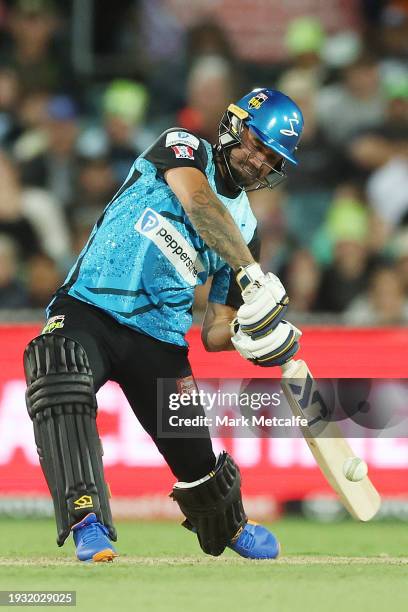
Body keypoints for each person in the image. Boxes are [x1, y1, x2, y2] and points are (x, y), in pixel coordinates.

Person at [23, 88, 304, 563]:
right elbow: (198, 201)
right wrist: (251, 274)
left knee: (198, 464)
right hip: (88, 309)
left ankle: (229, 524)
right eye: (255, 144)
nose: (258, 161)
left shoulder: (249, 232)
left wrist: (246, 336)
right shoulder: (183, 147)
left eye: (270, 157)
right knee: (59, 373)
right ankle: (87, 521)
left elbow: (217, 327)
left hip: (160, 341)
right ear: (234, 126)